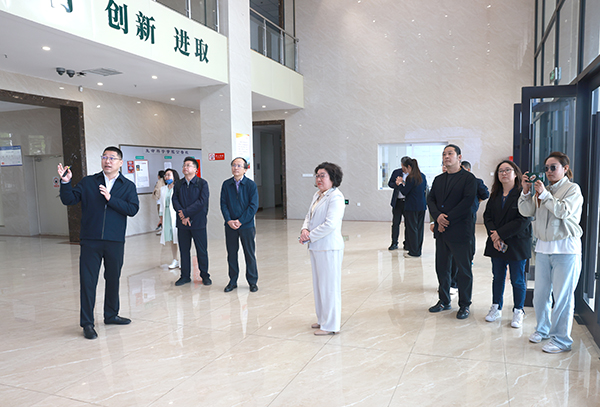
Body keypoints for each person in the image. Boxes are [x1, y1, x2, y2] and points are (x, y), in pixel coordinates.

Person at [58, 146, 139, 340]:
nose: (107, 161)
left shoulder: (127, 186)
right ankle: (87, 323)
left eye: (112, 158)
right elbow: (69, 199)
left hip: (114, 241)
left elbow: (132, 209)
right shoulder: (89, 182)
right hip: (90, 240)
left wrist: (111, 199)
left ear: (120, 162)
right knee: (88, 282)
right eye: (105, 157)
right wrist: (65, 182)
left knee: (113, 278)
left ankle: (111, 315)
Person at [518, 152, 583, 353]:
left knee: (562, 297)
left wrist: (545, 194)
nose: (548, 171)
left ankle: (562, 339)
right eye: (546, 168)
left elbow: (564, 211)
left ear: (565, 168)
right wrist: (526, 192)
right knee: (540, 294)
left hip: (566, 249)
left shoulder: (572, 189)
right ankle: (543, 329)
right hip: (543, 249)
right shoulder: (543, 189)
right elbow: (526, 211)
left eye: (553, 167)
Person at [427, 144, 477, 319]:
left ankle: (464, 305)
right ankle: (444, 300)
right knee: (442, 268)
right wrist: (437, 217)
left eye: (450, 153)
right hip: (442, 232)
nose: (446, 157)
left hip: (460, 231)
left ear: (459, 157)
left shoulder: (468, 179)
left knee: (463, 270)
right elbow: (431, 199)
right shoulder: (439, 179)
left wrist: (445, 219)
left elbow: (467, 203)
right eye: (444, 154)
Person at [483, 160, 531, 328]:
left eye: (507, 170)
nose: (504, 173)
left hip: (517, 243)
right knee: (498, 277)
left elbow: (523, 219)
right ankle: (496, 307)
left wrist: (500, 234)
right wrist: (494, 236)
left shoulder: (523, 193)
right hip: (497, 243)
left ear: (516, 173)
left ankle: (518, 310)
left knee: (517, 279)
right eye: (500, 171)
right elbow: (487, 216)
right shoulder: (495, 194)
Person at [300, 162, 345, 335]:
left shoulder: (336, 197)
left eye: (323, 176)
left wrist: (309, 236)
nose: (319, 179)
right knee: (319, 286)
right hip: (316, 247)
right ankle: (322, 320)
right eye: (317, 175)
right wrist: (304, 230)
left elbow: (330, 224)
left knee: (329, 288)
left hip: (329, 248)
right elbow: (309, 216)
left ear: (332, 178)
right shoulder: (318, 195)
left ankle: (331, 325)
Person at [221, 157, 260, 293]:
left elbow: (253, 206)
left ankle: (252, 282)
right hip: (230, 226)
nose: (235, 168)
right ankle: (232, 281)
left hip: (246, 226)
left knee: (249, 254)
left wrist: (241, 220)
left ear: (245, 169)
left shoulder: (251, 185)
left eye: (239, 165)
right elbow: (223, 204)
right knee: (231, 254)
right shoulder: (226, 184)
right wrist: (229, 220)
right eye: (233, 165)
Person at [171, 157, 211, 286]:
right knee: (184, 250)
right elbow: (175, 200)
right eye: (184, 165)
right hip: (182, 223)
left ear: (195, 169)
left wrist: (186, 213)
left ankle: (204, 275)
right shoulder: (178, 184)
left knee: (201, 250)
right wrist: (183, 216)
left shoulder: (202, 183)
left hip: (198, 222)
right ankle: (185, 276)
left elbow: (202, 202)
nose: (185, 167)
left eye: (188, 165)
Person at [396, 157, 427, 258]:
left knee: (412, 229)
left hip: (412, 207)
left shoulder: (410, 177)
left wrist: (399, 184)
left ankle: (413, 252)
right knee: (419, 229)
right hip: (422, 206)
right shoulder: (422, 176)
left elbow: (405, 192)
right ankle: (418, 250)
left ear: (409, 167)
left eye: (405, 168)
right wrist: (404, 183)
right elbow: (416, 189)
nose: (404, 170)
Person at [158, 168, 180, 269]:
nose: (167, 177)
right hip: (167, 215)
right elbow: (161, 205)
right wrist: (161, 218)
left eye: (169, 175)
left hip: (176, 215)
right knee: (171, 239)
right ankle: (175, 259)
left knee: (178, 238)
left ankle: (182, 260)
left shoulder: (178, 188)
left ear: (174, 176)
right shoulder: (163, 189)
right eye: (165, 175)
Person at [387, 156, 410, 250]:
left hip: (408, 203)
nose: (404, 168)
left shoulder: (412, 174)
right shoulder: (396, 172)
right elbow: (390, 183)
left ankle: (407, 243)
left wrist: (404, 183)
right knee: (395, 223)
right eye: (402, 166)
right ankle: (394, 243)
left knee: (408, 224)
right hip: (397, 202)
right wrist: (397, 184)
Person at [152, 170, 165, 234]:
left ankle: (163, 229)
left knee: (161, 216)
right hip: (162, 201)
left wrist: (156, 197)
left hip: (160, 201)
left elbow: (158, 191)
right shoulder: (165, 181)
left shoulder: (159, 182)